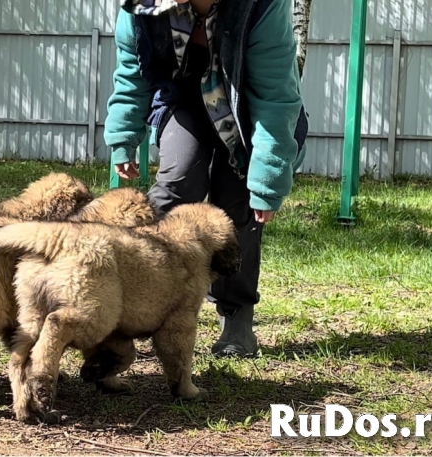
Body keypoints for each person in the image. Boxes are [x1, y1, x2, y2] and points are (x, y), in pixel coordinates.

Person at [104, 0, 309, 357]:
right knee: (179, 180)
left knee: (238, 205)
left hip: (248, 106)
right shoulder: (140, 7)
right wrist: (123, 135)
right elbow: (132, 72)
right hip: (182, 100)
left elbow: (274, 97)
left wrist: (267, 180)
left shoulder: (261, 6)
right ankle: (140, 299)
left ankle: (237, 319)